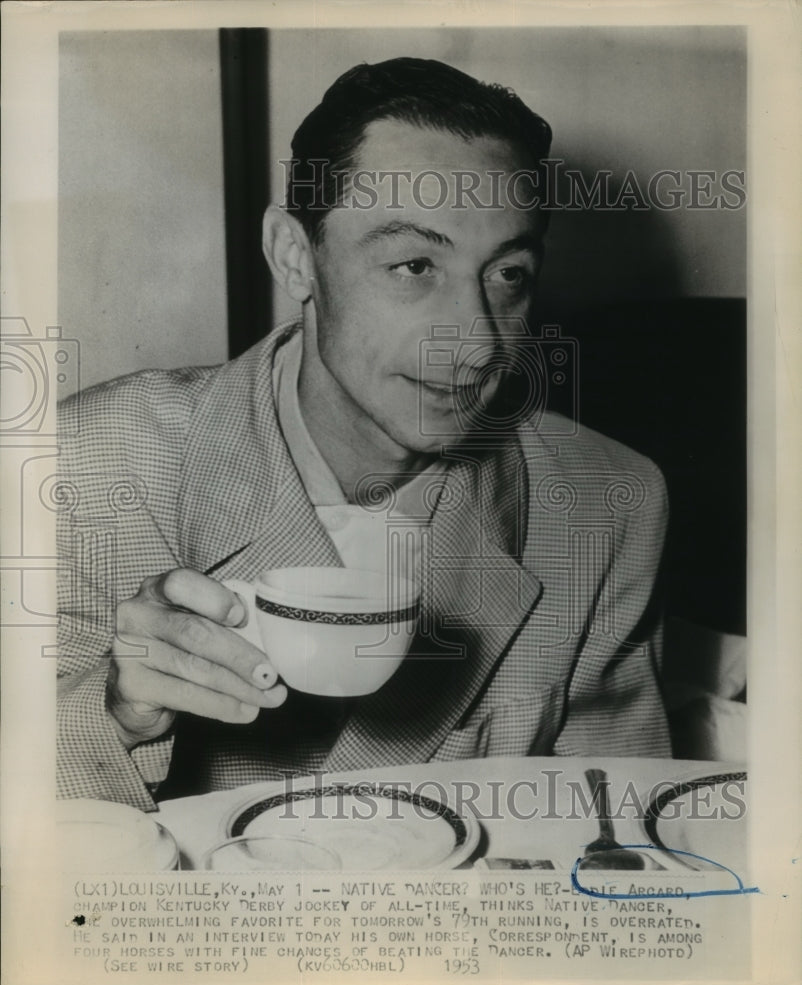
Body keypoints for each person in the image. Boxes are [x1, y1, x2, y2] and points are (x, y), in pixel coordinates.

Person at [56, 57, 671, 812]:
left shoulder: (607, 502)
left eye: (508, 275)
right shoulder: (88, 465)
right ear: (295, 255)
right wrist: (113, 713)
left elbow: (615, 829)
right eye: (414, 265)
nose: (475, 341)